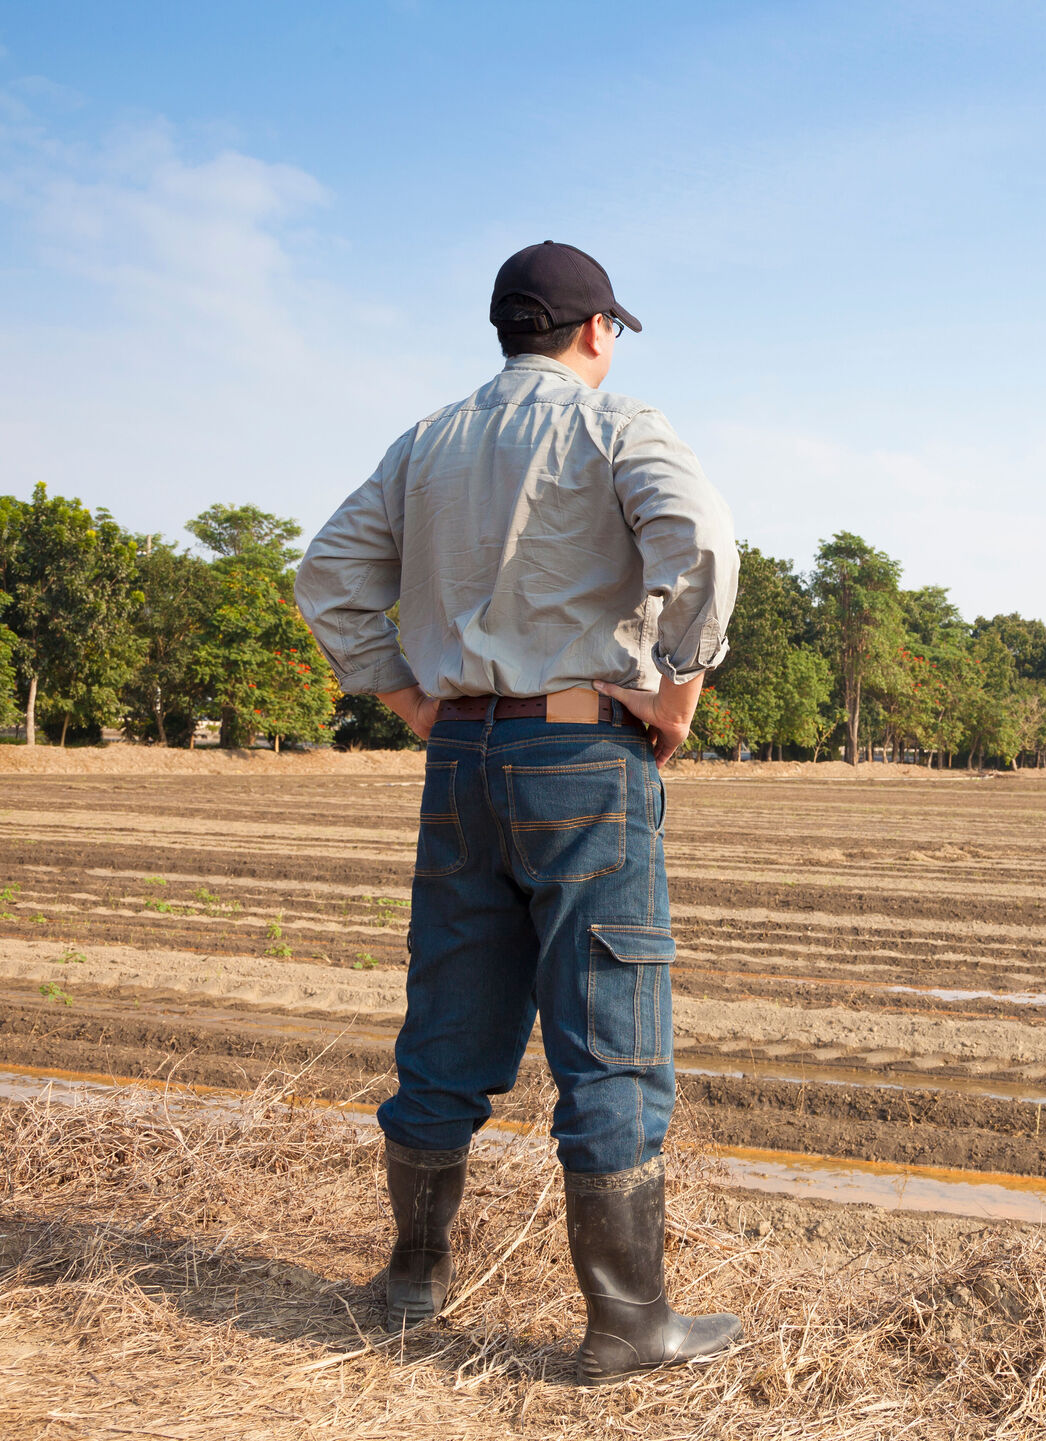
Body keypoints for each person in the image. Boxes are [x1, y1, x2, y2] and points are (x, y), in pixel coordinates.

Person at [295, 240, 741, 1380]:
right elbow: (701, 542)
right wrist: (678, 692)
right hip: (583, 753)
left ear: (506, 331)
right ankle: (629, 1321)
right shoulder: (619, 424)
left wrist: (410, 702)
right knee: (610, 1033)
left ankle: (409, 1281)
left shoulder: (429, 440)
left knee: (450, 1014)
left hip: (463, 761)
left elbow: (330, 572)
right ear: (598, 331)